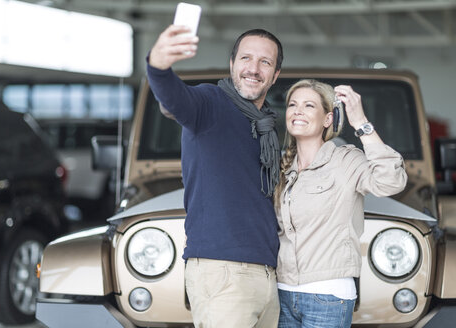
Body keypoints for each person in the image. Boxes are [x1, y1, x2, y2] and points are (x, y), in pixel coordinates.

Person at [147, 25, 284, 328]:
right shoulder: (209, 103)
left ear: (275, 76)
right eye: (246, 58)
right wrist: (158, 64)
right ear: (232, 65)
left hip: (266, 273)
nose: (254, 68)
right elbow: (173, 99)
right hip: (222, 271)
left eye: (265, 62)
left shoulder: (266, 128)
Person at [274, 79, 408, 327]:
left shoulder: (345, 160)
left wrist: (361, 123)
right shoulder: (282, 167)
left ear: (328, 119)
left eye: (309, 105)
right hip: (282, 292)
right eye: (293, 104)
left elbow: (392, 181)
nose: (297, 111)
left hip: (327, 295)